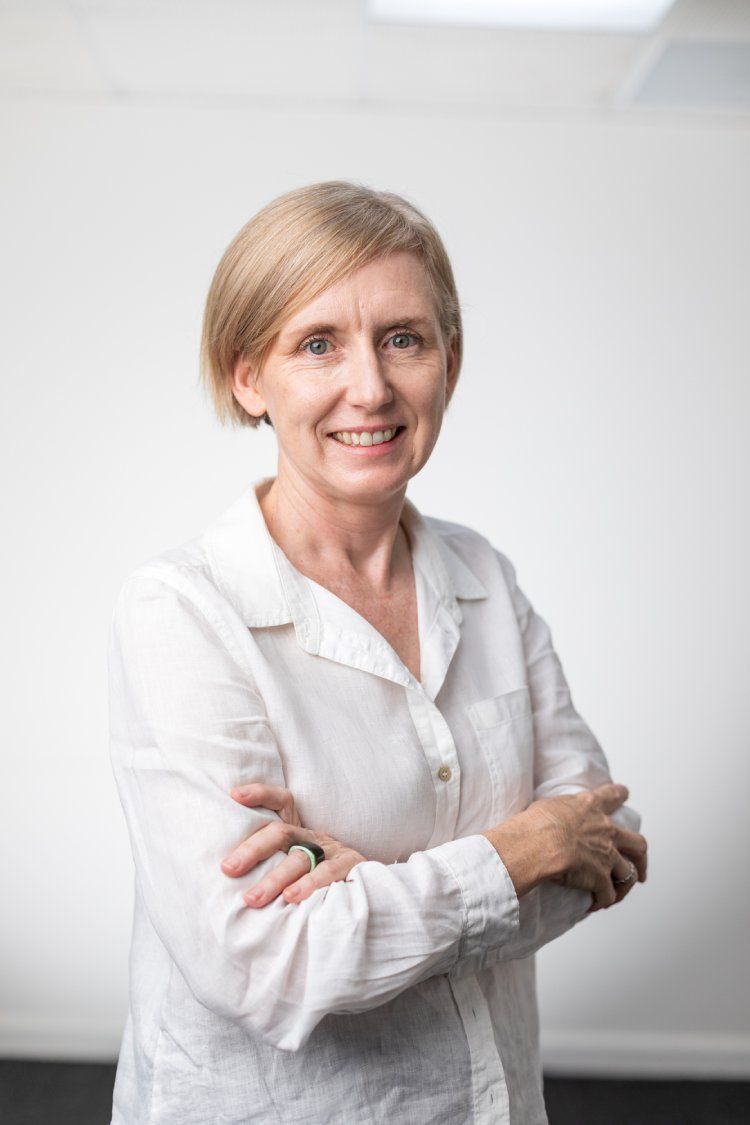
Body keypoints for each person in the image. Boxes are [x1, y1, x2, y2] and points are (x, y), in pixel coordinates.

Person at [107, 180, 647, 1125]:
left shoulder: (483, 574)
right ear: (248, 378)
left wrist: (369, 890)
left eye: (404, 337)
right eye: (318, 344)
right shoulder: (182, 612)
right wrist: (516, 848)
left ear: (449, 359)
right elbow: (266, 963)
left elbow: (603, 846)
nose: (372, 386)